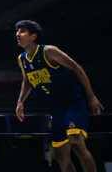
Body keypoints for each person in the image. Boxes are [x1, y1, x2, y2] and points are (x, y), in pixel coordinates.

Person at [15, 20, 103, 172]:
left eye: (22, 31)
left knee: (76, 143)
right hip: (56, 109)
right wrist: (20, 102)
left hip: (72, 103)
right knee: (60, 154)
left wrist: (91, 96)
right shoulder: (21, 59)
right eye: (17, 31)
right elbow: (27, 81)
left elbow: (77, 68)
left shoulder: (48, 51)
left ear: (33, 36)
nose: (17, 34)